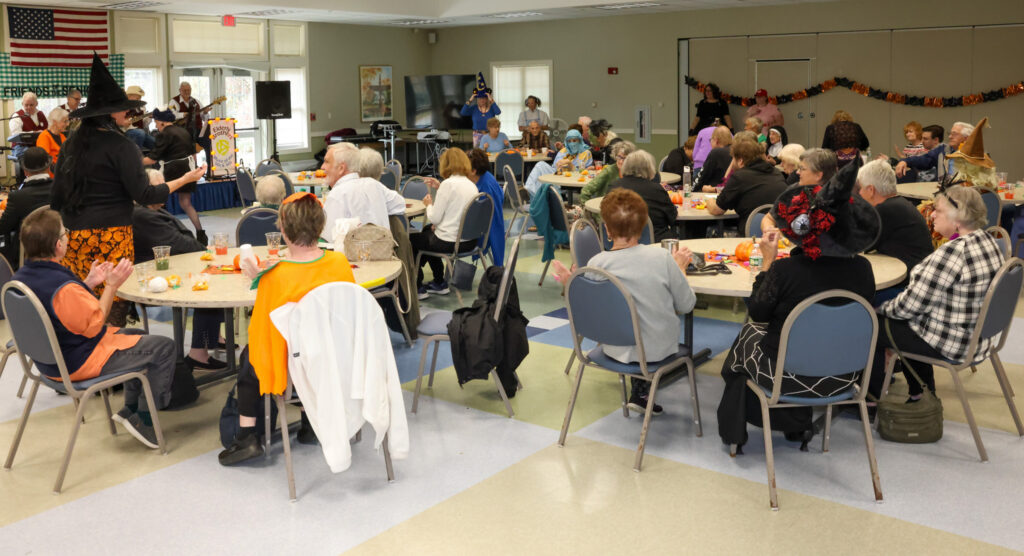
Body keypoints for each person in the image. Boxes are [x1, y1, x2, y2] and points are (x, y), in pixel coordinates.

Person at [718, 161, 879, 451]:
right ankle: (793, 425)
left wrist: (768, 262)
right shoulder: (864, 269)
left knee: (748, 334)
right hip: (844, 377)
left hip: (787, 377)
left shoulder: (787, 270)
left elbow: (758, 311)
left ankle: (734, 431)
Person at [50, 55, 207, 326]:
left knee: (80, 301)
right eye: (123, 108)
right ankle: (110, 354)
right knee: (112, 303)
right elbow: (146, 195)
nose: (128, 113)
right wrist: (184, 179)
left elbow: (56, 198)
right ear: (109, 114)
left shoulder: (71, 145)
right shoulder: (122, 146)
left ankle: (84, 352)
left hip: (74, 238)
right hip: (111, 237)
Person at [14, 208, 177, 448]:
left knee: (139, 336)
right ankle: (144, 419)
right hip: (78, 361)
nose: (67, 236)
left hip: (49, 361)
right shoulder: (63, 286)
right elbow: (94, 326)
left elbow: (59, 310)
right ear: (59, 246)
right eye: (64, 233)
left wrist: (87, 284)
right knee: (164, 348)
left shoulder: (21, 278)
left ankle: (129, 409)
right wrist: (111, 287)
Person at [218, 192, 356, 465]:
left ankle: (247, 435)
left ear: (282, 228)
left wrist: (257, 278)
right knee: (307, 345)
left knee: (250, 355)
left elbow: (263, 335)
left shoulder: (275, 276)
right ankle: (309, 423)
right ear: (320, 226)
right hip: (333, 357)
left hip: (294, 367)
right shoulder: (339, 263)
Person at [553, 188, 696, 414]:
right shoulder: (662, 258)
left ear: (607, 230)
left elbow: (587, 307)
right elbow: (686, 305)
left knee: (631, 323)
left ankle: (640, 390)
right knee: (651, 323)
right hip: (658, 349)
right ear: (642, 227)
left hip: (614, 347)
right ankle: (642, 389)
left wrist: (570, 284)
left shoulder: (596, 263)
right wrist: (680, 269)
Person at [869, 185, 1003, 400]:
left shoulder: (952, 253)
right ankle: (919, 393)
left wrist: (877, 308)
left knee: (872, 323)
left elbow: (908, 307)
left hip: (951, 343)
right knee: (903, 320)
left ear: (957, 216)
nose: (932, 214)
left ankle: (871, 400)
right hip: (978, 337)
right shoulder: (990, 242)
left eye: (938, 210)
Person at [132, 169, 226, 370]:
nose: (166, 192)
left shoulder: (151, 209)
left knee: (215, 275)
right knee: (209, 287)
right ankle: (198, 354)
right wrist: (204, 250)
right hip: (157, 275)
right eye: (161, 187)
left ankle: (212, 337)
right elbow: (178, 243)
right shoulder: (143, 215)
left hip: (170, 266)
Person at [855, 160, 933, 303]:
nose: (859, 193)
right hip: (919, 280)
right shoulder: (898, 204)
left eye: (860, 188)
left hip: (908, 288)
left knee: (857, 296)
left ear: (871, 190)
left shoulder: (884, 210)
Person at [410, 148, 480, 298]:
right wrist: (440, 187)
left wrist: (428, 204)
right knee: (427, 233)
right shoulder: (471, 185)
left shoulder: (448, 184)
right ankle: (439, 282)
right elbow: (457, 206)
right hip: (469, 241)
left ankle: (418, 286)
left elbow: (435, 218)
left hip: (450, 242)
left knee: (413, 239)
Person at [142, 108, 205, 244]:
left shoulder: (164, 134)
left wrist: (136, 161)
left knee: (160, 201)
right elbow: (193, 153)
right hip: (189, 166)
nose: (156, 125)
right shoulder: (183, 130)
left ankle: (164, 234)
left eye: (156, 122)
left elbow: (153, 159)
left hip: (173, 168)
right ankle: (201, 233)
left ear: (162, 122)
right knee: (186, 203)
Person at [320, 143, 406, 240]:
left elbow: (328, 239)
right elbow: (400, 205)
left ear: (341, 168)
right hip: (382, 252)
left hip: (351, 254)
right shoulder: (374, 185)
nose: (322, 167)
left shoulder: (337, 194)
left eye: (327, 162)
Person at [707, 136, 789, 233]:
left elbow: (717, 210)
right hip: (779, 234)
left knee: (710, 230)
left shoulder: (739, 177)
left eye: (733, 159)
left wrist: (709, 201)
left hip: (750, 236)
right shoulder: (777, 173)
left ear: (740, 161)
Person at [760, 148, 838, 233]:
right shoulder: (794, 189)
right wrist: (769, 229)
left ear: (818, 175)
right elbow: (769, 218)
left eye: (802, 169)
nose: (797, 172)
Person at [0, 147, 54, 267]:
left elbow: (3, 228)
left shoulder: (17, 197)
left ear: (24, 171)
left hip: (27, 256)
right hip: (57, 249)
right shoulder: (62, 190)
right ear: (49, 168)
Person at [608, 150, 677, 242]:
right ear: (649, 168)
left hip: (620, 242)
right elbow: (672, 217)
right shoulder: (656, 189)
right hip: (655, 244)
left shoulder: (613, 187)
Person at [524, 129, 593, 197]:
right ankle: (529, 189)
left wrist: (570, 164)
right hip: (558, 176)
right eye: (569, 141)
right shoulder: (563, 151)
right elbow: (554, 168)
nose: (572, 143)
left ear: (579, 140)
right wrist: (559, 165)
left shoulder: (586, 153)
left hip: (575, 179)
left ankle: (538, 197)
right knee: (540, 164)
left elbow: (585, 172)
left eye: (574, 140)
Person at [895, 121, 972, 182]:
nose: (950, 137)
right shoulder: (943, 150)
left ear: (966, 138)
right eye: (950, 133)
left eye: (954, 134)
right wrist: (905, 161)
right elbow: (924, 159)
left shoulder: (975, 155)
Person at [467, 148, 506, 264]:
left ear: (473, 171)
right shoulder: (486, 177)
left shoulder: (485, 189)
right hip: (489, 229)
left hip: (480, 234)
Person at [169, 81, 213, 169]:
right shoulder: (174, 101)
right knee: (188, 144)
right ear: (180, 90)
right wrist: (183, 114)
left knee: (209, 142)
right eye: (184, 90)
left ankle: (210, 168)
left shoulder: (196, 101)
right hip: (183, 131)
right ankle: (190, 168)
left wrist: (205, 113)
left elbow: (205, 118)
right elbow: (171, 115)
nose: (187, 92)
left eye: (188, 90)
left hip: (197, 130)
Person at [8, 92, 47, 160]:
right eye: (26, 105)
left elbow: (47, 130)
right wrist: (34, 133)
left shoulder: (41, 114)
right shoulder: (17, 116)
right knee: (34, 155)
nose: (28, 107)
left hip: (38, 146)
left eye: (31, 105)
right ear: (22, 104)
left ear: (36, 104)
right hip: (20, 147)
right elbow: (16, 135)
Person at [694, 126, 733, 191]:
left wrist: (691, 190)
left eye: (710, 140)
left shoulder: (716, 152)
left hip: (714, 192)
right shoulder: (736, 151)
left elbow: (702, 177)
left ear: (716, 141)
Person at [35, 108, 69, 172]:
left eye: (68, 121)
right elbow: (44, 161)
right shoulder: (44, 136)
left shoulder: (62, 136)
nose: (68, 124)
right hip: (52, 177)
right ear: (54, 122)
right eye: (65, 121)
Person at [123, 85, 154, 151]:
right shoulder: (123, 106)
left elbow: (145, 124)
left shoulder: (142, 107)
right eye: (137, 98)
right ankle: (137, 157)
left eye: (140, 98)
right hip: (125, 131)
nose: (139, 100)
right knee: (140, 133)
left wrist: (149, 117)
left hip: (140, 132)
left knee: (155, 144)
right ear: (129, 96)